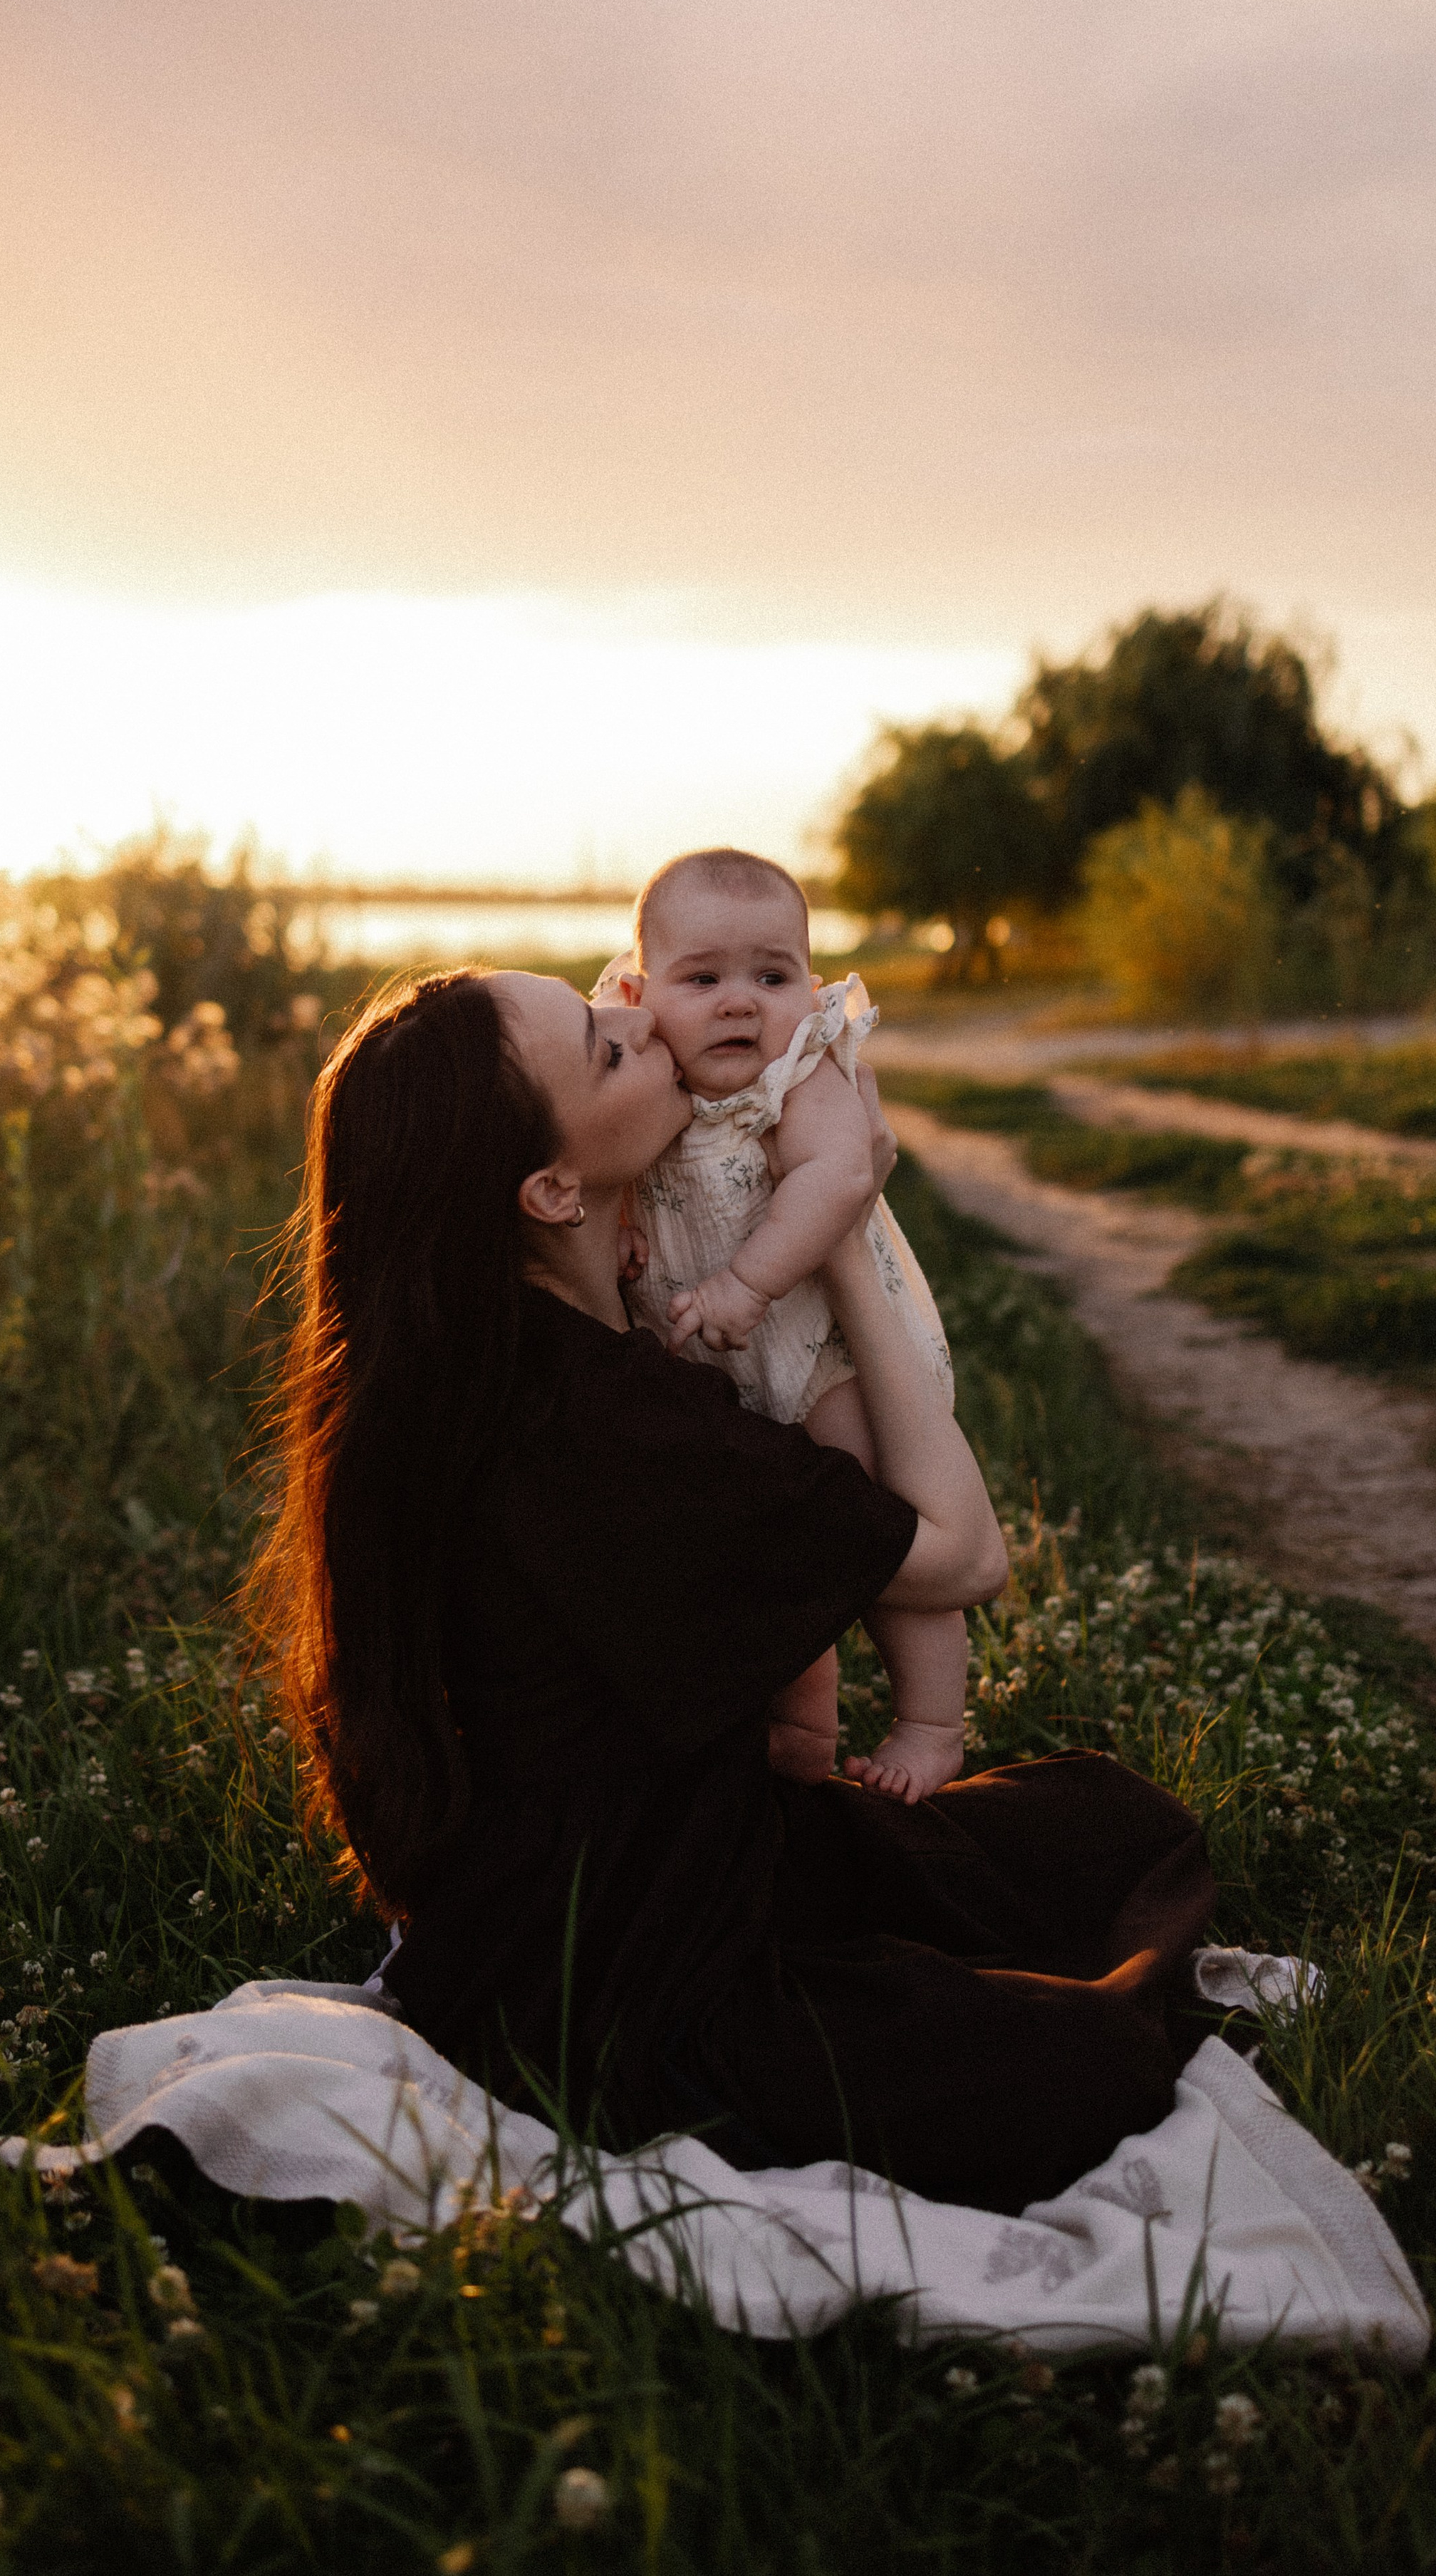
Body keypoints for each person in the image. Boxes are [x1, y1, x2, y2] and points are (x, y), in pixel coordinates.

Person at [244, 967, 1215, 2215]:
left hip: (625, 1877)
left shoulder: (472, 1372)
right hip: (631, 1982)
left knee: (1104, 1826)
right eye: (604, 1048)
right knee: (1089, 2064)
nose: (643, 1018)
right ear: (552, 1190)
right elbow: (966, 1556)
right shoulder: (613, 1430)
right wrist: (845, 1226)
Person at [595, 847, 966, 1804]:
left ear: (811, 985)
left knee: (878, 1523)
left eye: (772, 976)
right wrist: (623, 1219)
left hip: (822, 1349)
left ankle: (932, 1723)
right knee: (766, 1550)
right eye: (702, 979)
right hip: (717, 1363)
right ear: (639, 992)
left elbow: (840, 1175)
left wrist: (748, 1283)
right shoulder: (650, 1075)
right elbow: (618, 1158)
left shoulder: (799, 1074)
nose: (739, 1004)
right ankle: (803, 1725)